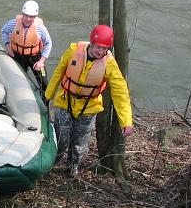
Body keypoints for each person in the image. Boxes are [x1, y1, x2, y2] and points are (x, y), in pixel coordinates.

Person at [45, 24, 134, 177]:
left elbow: (120, 92)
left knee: (79, 144)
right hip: (65, 102)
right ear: (92, 43)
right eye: (98, 47)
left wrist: (126, 121)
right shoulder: (74, 51)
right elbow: (58, 73)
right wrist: (47, 96)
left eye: (104, 49)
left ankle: (73, 167)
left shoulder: (109, 64)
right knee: (61, 140)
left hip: (89, 108)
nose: (100, 51)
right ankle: (50, 165)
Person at [1, 0, 52, 91]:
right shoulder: (13, 24)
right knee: (18, 81)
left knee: (44, 84)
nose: (28, 19)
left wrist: (41, 61)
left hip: (35, 57)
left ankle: (45, 103)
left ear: (35, 16)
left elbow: (48, 43)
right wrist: (8, 47)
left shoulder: (40, 28)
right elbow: (4, 31)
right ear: (22, 14)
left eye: (31, 17)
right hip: (18, 56)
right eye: (26, 15)